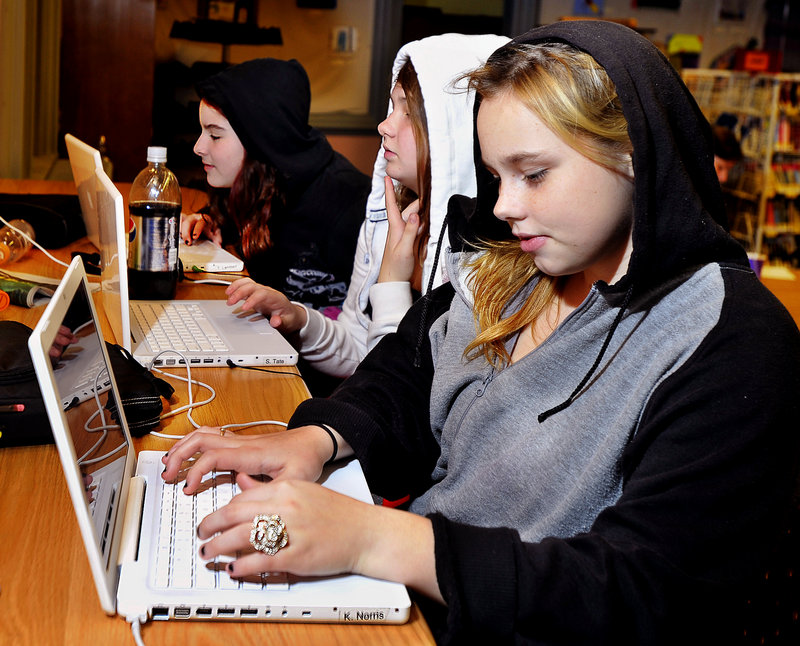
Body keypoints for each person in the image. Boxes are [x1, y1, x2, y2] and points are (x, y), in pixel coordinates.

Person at [161, 21, 800, 645]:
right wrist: (317, 439)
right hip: (413, 600)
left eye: (535, 173)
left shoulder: (730, 340)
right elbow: (403, 381)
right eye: (497, 176)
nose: (503, 206)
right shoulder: (513, 269)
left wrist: (373, 538)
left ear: (636, 155)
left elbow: (644, 591)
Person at [223, 34, 509, 378]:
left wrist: (391, 281)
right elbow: (360, 347)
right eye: (392, 107)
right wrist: (298, 319)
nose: (384, 125)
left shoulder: (487, 259)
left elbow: (404, 396)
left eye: (408, 112)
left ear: (455, 128)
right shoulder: (394, 220)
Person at [181, 58, 371, 309]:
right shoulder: (261, 178)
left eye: (215, 135)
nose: (198, 147)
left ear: (261, 139)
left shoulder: (350, 209)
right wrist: (211, 221)